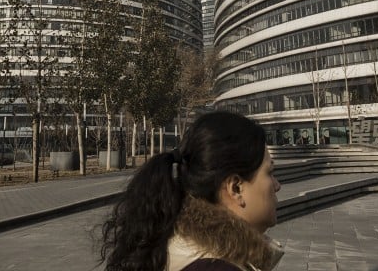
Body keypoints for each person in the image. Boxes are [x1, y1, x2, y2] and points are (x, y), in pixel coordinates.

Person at [99, 111, 284, 271]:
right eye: (269, 172)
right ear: (235, 188)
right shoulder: (214, 267)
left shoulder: (185, 244)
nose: (277, 185)